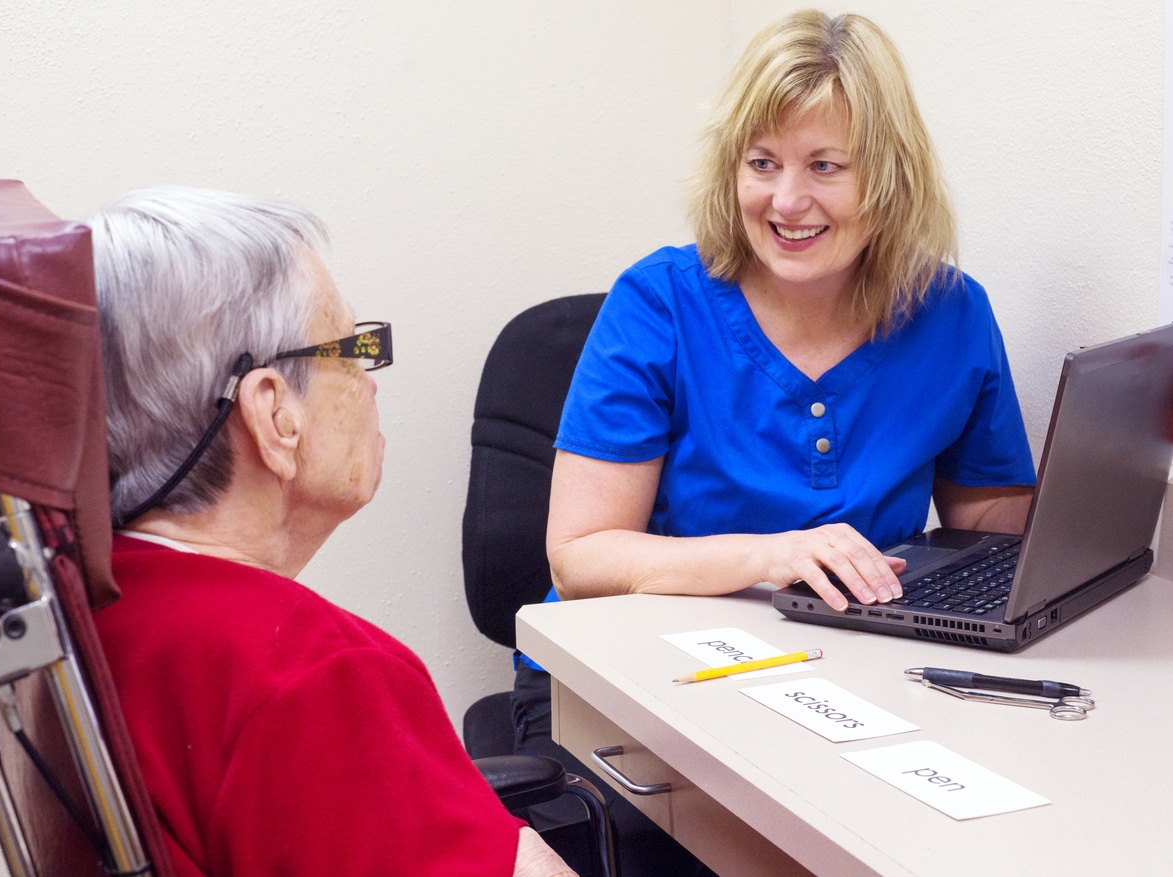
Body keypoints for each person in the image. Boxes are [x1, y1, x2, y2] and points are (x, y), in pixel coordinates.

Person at [514, 10, 1036, 874]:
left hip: (850, 678)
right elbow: (579, 556)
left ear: (890, 178)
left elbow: (991, 527)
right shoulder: (660, 302)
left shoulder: (951, 311)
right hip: (636, 685)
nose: (785, 202)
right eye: (762, 164)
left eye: (823, 167)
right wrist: (774, 553)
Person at [87, 187, 575, 877]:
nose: (370, 383)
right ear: (273, 415)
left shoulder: (95, 600)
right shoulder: (311, 676)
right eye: (351, 350)